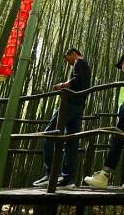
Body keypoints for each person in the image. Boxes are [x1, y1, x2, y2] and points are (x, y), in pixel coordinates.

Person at [84, 54, 124, 190]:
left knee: (117, 142)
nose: (122, 68)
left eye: (123, 64)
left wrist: (122, 112)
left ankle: (104, 176)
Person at [33, 48, 90, 188]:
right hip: (79, 106)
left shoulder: (79, 62)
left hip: (69, 105)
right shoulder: (85, 66)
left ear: (73, 54)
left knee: (49, 134)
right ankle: (67, 179)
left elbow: (77, 79)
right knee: (71, 141)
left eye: (67, 58)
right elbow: (80, 81)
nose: (67, 61)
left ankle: (51, 173)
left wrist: (62, 85)